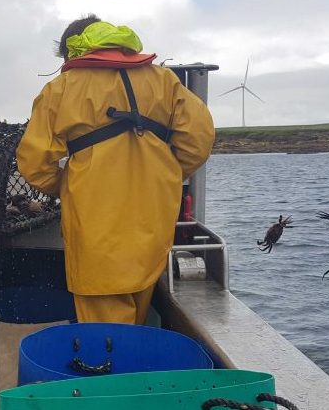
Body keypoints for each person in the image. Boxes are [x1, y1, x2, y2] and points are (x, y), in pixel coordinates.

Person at [16, 16, 214, 325]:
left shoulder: (61, 88)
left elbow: (35, 163)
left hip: (95, 222)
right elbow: (198, 142)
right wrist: (163, 176)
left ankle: (113, 358)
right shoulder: (164, 80)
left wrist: (68, 186)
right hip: (154, 216)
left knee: (105, 328)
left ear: (73, 51)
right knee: (138, 304)